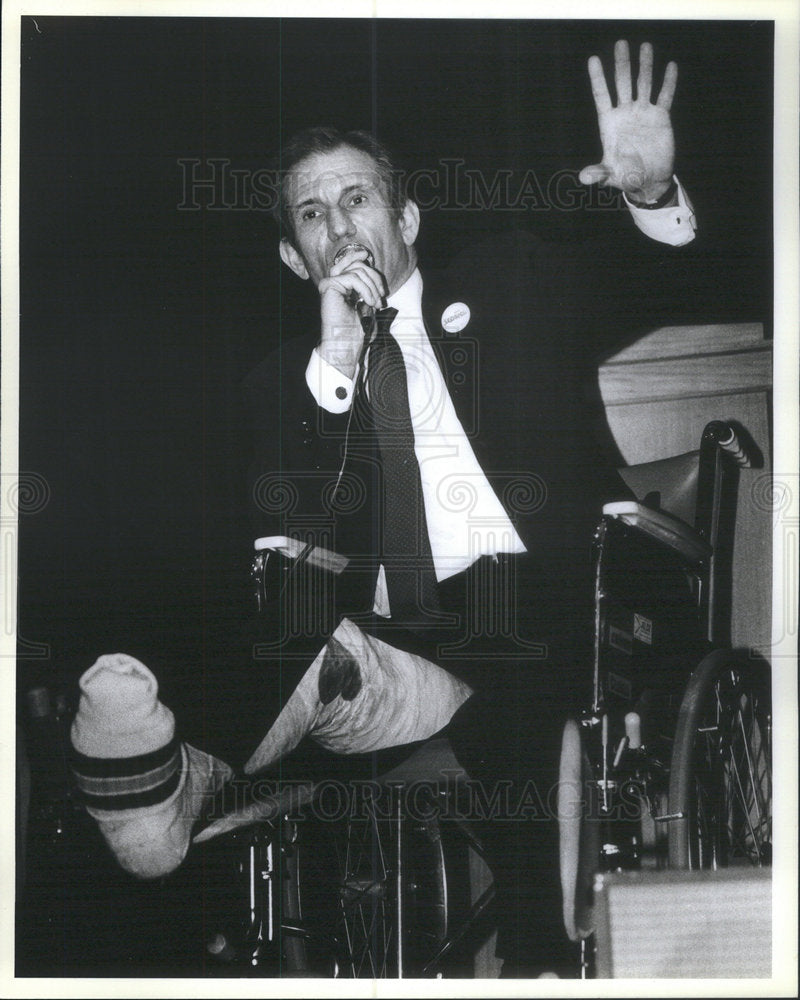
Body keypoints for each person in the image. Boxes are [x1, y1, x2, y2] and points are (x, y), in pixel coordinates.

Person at [69, 40, 697, 977]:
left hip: (547, 607)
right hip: (389, 642)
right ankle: (172, 785)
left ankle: (544, 963)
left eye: (357, 198)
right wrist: (333, 365)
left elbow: (660, 281)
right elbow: (292, 547)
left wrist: (648, 194)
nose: (340, 227)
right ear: (294, 255)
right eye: (313, 215)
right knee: (274, 610)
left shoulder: (514, 278)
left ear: (406, 214)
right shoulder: (282, 382)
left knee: (518, 716)